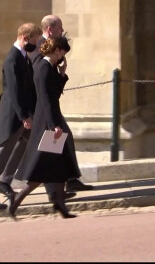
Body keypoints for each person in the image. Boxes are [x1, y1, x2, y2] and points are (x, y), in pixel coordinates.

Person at [8, 36, 79, 219]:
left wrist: (62, 74)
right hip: (48, 122)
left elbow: (54, 94)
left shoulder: (49, 67)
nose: (63, 56)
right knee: (42, 168)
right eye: (63, 52)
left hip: (51, 120)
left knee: (57, 165)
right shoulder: (44, 68)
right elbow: (46, 100)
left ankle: (59, 204)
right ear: (57, 51)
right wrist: (53, 125)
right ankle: (17, 202)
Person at [28, 14, 94, 193]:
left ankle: (65, 182)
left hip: (48, 106)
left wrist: (61, 74)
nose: (62, 31)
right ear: (50, 29)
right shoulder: (40, 48)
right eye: (59, 28)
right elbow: (41, 79)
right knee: (50, 146)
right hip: (42, 108)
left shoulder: (51, 49)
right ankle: (50, 188)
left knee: (60, 142)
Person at [0, 23, 42, 210]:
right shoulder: (13, 58)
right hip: (14, 115)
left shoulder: (24, 56)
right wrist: (24, 116)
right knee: (5, 150)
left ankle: (5, 181)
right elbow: (14, 91)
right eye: (34, 41)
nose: (36, 45)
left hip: (24, 114)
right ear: (25, 38)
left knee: (22, 144)